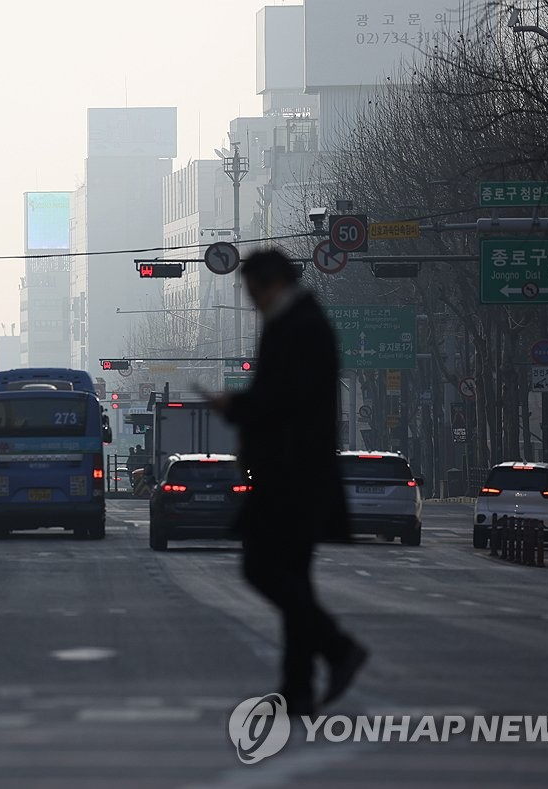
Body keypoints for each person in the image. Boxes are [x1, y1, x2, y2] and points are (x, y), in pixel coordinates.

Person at [203, 248, 367, 717]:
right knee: (294, 579)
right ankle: (297, 686)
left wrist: (236, 407)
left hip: (292, 474)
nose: (250, 301)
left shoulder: (296, 326)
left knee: (261, 567)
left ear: (269, 283)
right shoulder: (301, 321)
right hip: (297, 472)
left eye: (251, 290)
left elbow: (283, 399)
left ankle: (336, 648)